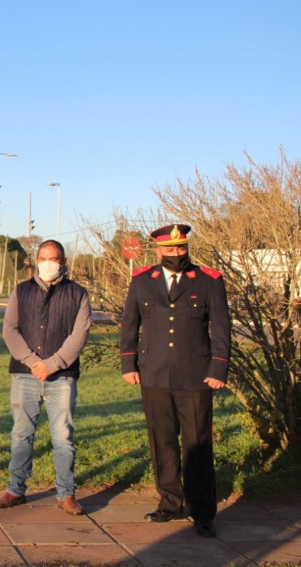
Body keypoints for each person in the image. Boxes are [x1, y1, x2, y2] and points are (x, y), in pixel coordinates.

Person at [120, 224, 231, 538]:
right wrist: (129, 363)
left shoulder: (209, 281)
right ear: (157, 250)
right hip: (153, 374)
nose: (176, 254)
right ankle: (169, 503)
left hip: (196, 376)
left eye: (181, 249)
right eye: (170, 250)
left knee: (197, 444)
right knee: (163, 441)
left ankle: (203, 511)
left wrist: (218, 369)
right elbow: (130, 326)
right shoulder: (142, 281)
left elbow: (221, 329)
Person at [0, 240, 91, 515]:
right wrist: (33, 361)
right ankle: (15, 489)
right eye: (43, 258)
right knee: (21, 434)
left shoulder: (78, 294)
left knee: (63, 437)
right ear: (36, 260)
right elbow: (10, 330)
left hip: (62, 378)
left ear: (63, 261)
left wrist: (53, 364)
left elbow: (79, 335)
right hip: (24, 375)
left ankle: (66, 493)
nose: (49, 263)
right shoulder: (21, 291)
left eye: (55, 258)